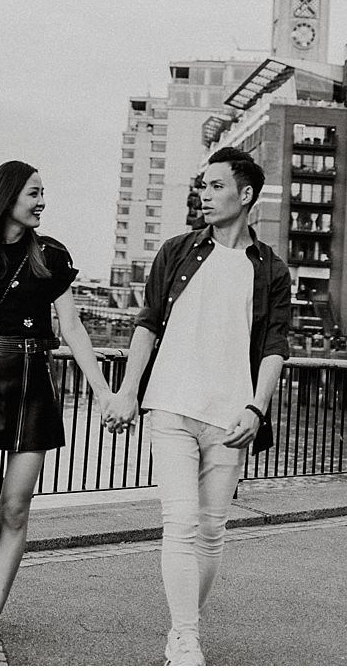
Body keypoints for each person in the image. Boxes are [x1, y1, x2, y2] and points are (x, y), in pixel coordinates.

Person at [100, 147, 291, 666]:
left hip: (231, 416)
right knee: (180, 521)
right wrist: (127, 391)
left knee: (211, 531)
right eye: (200, 186)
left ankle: (183, 631)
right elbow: (148, 323)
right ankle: (186, 638)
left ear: (245, 194)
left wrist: (257, 409)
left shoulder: (270, 270)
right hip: (171, 406)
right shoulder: (177, 251)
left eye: (213, 186)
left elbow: (275, 346)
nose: (202, 195)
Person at [0, 160, 111, 664]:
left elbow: (72, 329)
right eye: (34, 192)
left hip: (35, 386)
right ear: (8, 195)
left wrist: (101, 390)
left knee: (15, 510)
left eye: (43, 193)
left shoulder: (51, 255)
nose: (41, 202)